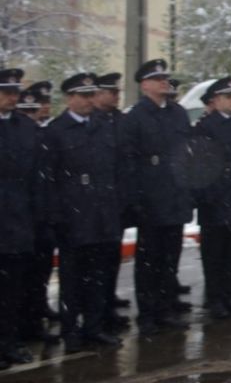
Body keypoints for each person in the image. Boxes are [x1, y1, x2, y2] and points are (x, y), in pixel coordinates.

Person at [41, 73, 124, 354]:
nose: (90, 100)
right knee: (73, 280)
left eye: (92, 95)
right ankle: (71, 331)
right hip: (73, 218)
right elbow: (49, 180)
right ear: (69, 98)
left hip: (103, 215)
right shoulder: (56, 131)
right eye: (84, 95)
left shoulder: (103, 126)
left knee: (99, 277)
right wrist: (56, 218)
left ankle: (94, 326)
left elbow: (115, 171)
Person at [119, 59, 194, 335]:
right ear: (145, 85)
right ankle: (148, 314)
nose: (164, 82)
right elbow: (128, 163)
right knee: (149, 262)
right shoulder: (135, 117)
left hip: (175, 198)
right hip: (150, 200)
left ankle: (165, 309)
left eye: (165, 78)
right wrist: (136, 200)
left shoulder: (178, 113)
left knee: (169, 261)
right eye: (157, 79)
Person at [193, 78, 231, 319]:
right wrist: (208, 197)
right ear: (216, 100)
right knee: (214, 254)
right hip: (216, 201)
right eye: (228, 97)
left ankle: (230, 295)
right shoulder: (206, 127)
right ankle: (215, 299)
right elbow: (199, 166)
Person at [15, 81, 61, 347]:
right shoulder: (17, 135)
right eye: (28, 110)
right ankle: (21, 326)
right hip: (21, 218)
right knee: (21, 278)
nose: (34, 114)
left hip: (42, 215)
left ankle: (34, 319)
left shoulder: (43, 134)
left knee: (38, 274)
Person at [1, 68, 41, 369]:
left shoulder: (25, 126)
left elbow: (37, 173)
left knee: (13, 288)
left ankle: (9, 342)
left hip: (18, 218)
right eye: (6, 92)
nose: (12, 97)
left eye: (15, 92)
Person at [90, 73, 130, 335]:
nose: (116, 96)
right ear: (98, 95)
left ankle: (108, 305)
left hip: (116, 200)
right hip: (95, 204)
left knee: (112, 259)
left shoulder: (120, 120)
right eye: (111, 92)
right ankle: (97, 313)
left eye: (117, 92)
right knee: (96, 264)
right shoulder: (92, 121)